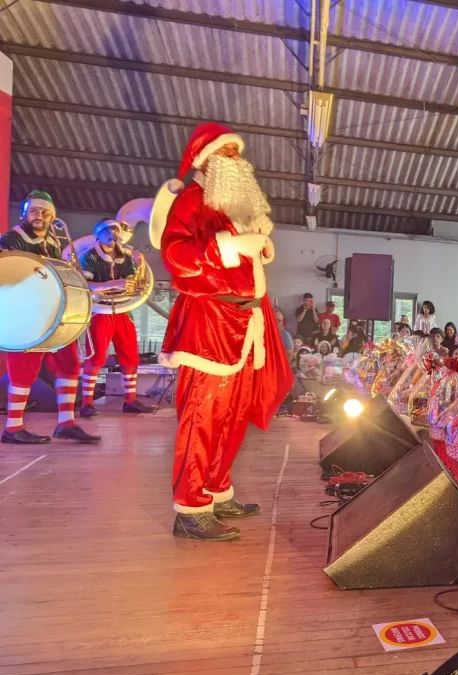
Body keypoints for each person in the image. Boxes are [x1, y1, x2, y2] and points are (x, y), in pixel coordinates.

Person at [155, 122, 292, 540]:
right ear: (206, 160)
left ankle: (215, 489)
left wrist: (257, 248)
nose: (236, 160)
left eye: (237, 153)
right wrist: (229, 248)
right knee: (202, 416)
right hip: (210, 324)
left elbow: (239, 263)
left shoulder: (229, 207)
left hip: (243, 322)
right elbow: (177, 257)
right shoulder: (193, 200)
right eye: (226, 153)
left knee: (232, 417)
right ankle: (191, 509)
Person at [0, 190, 101, 444]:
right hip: (25, 312)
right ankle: (13, 428)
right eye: (34, 210)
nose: (39, 216)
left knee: (69, 363)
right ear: (25, 212)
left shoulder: (54, 241)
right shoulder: (11, 239)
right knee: (24, 369)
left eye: (45, 212)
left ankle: (66, 423)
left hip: (52, 310)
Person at [78, 219, 156, 418]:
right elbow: (85, 286)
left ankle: (130, 401)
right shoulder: (89, 256)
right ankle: (86, 403)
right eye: (108, 230)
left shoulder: (126, 257)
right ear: (99, 233)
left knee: (130, 355)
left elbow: (132, 281)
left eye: (116, 230)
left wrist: (139, 267)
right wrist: (114, 284)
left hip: (123, 310)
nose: (113, 234)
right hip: (101, 311)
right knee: (96, 357)